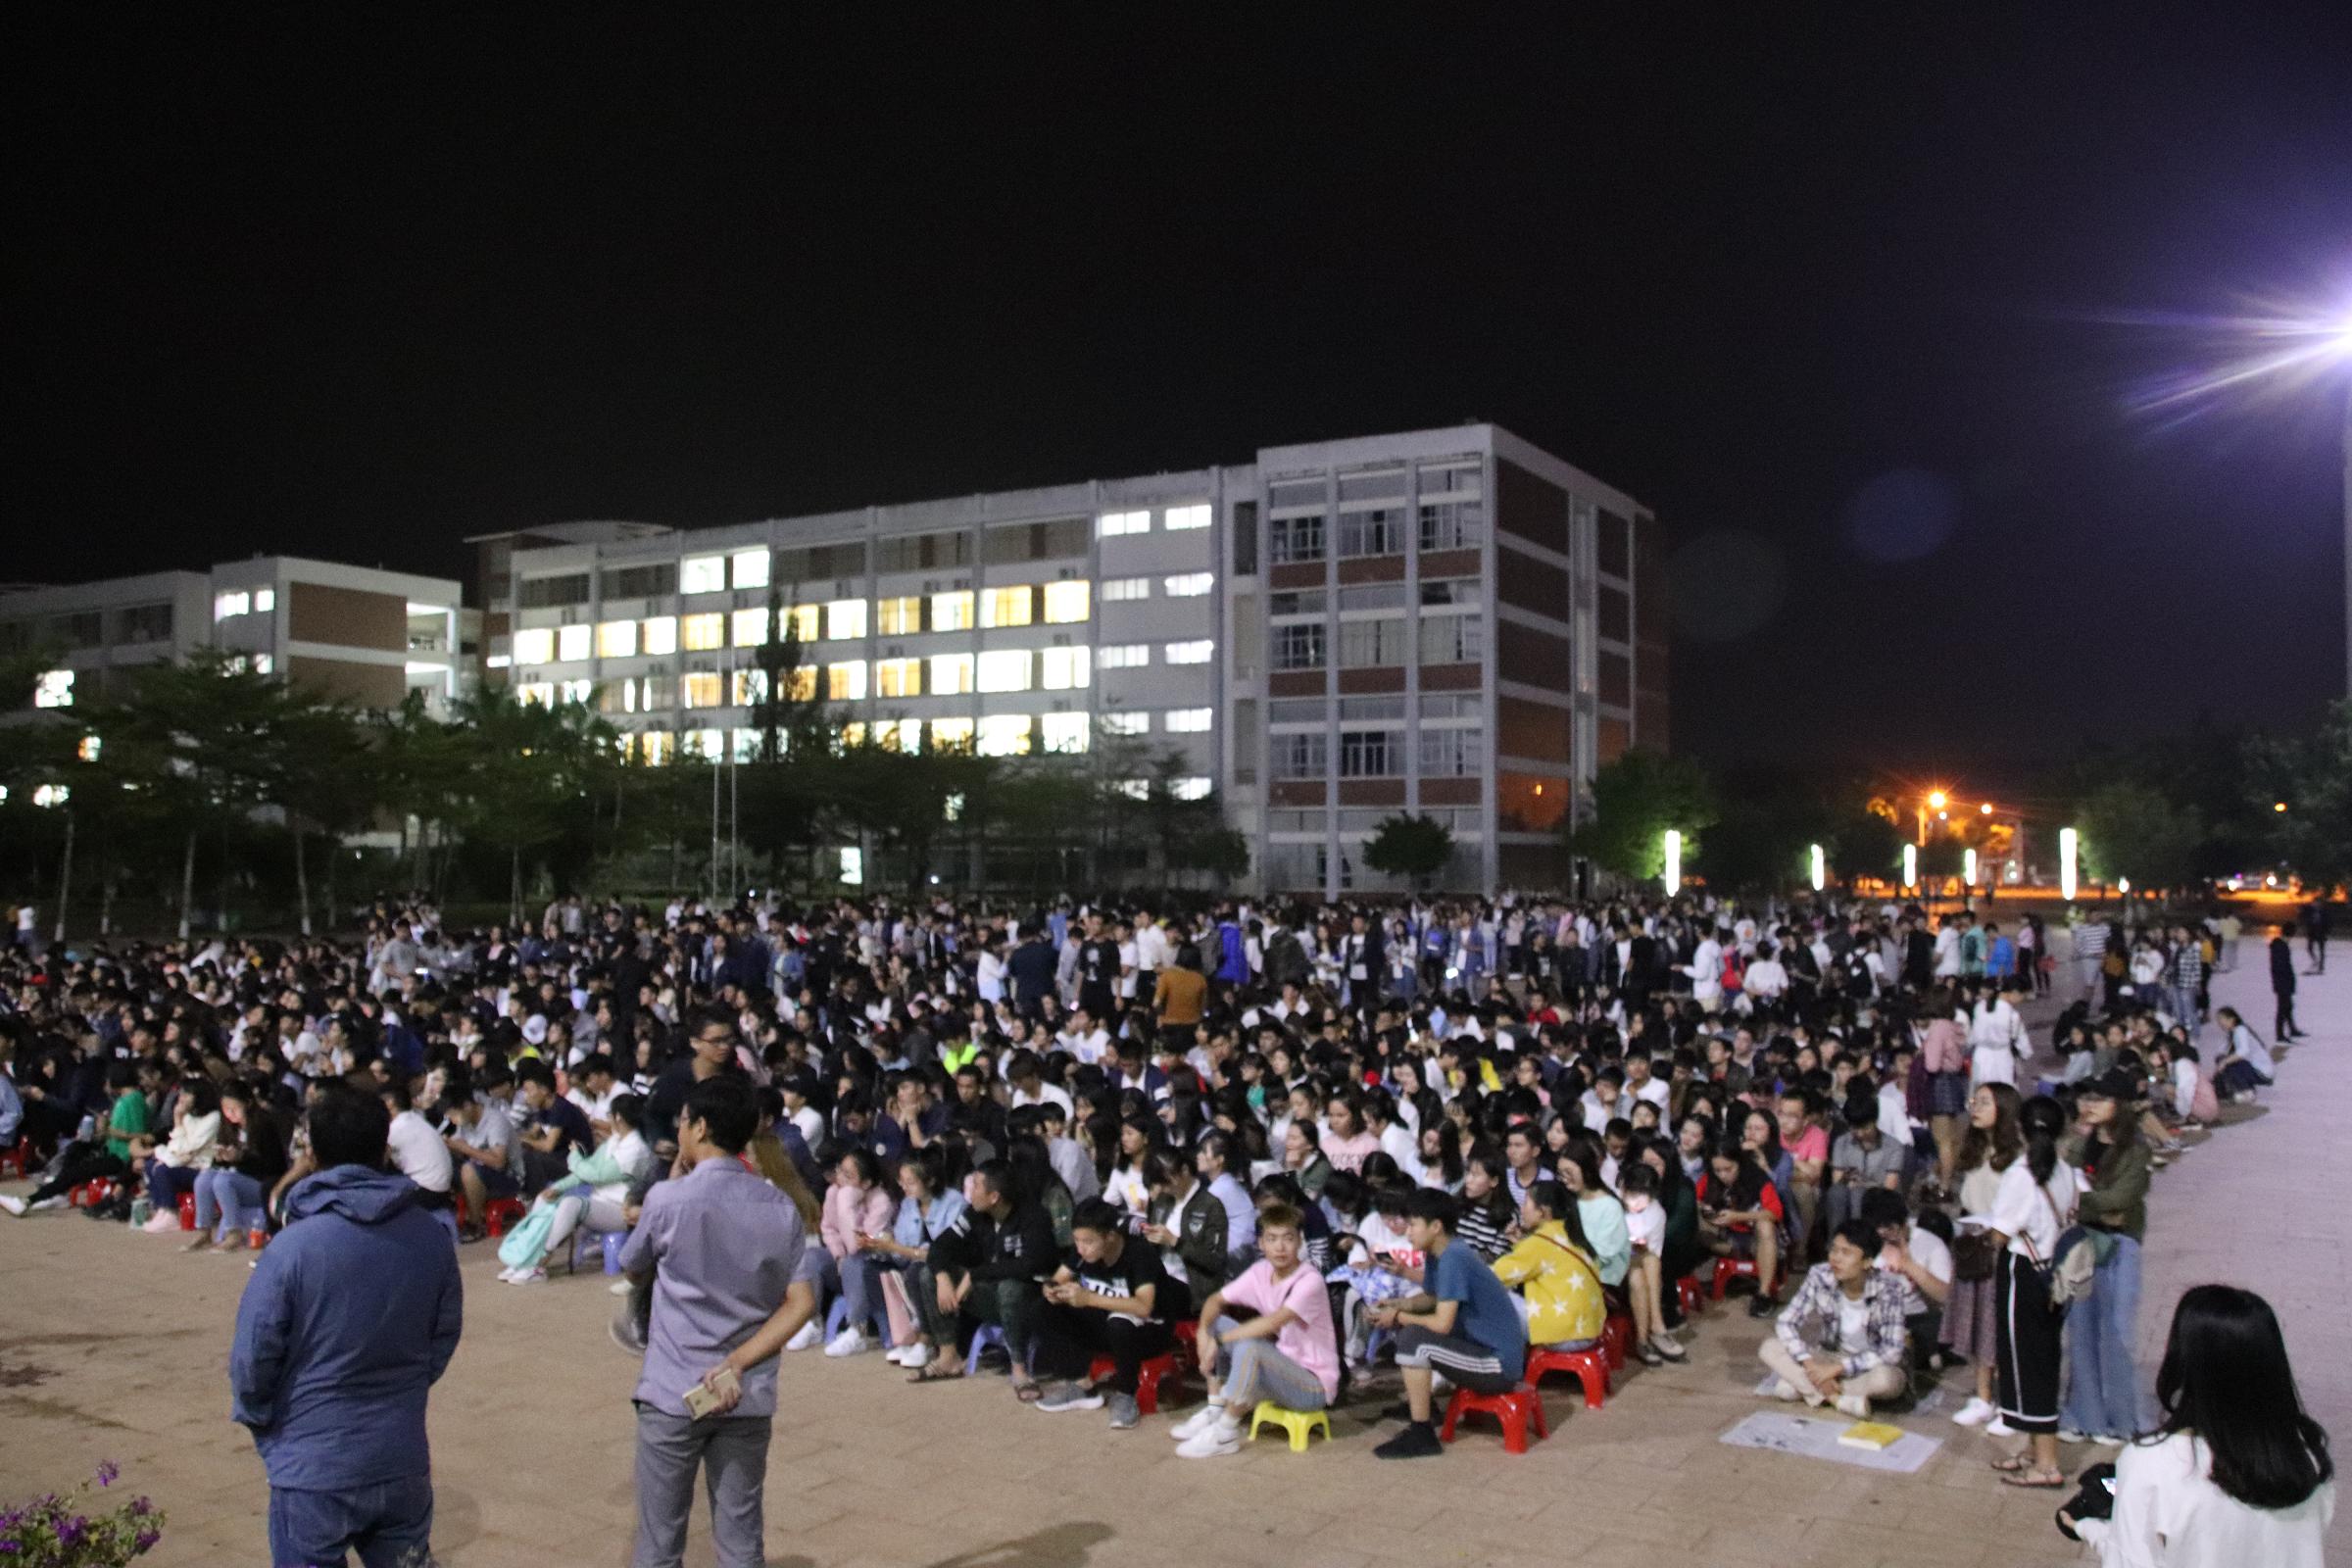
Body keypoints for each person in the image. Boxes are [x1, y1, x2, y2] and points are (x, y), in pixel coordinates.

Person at [229, 1086, 463, 1568]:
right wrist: (403, 1384)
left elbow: (252, 1360)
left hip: (312, 1466)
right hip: (399, 1457)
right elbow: (442, 1338)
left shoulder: (292, 1248)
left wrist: (264, 1422)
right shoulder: (430, 1236)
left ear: (312, 1157)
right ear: (384, 1151)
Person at [619, 1076, 816, 1568]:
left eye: (683, 1121)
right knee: (741, 1540)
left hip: (672, 1389)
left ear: (701, 1127)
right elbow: (801, 1303)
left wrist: (672, 1180)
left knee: (659, 1544)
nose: (679, 1130)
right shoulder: (779, 1206)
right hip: (744, 1390)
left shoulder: (668, 1200)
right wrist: (739, 1361)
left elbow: (633, 1265)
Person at [2065, 1285, 2333, 1564]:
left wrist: (2089, 1528)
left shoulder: (2153, 1462)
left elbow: (2131, 1561)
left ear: (2184, 1362)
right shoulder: (2308, 1454)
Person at [1169, 1201, 1341, 1457]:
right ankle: (1216, 1408)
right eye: (1272, 1239)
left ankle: (1225, 1432)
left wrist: (1220, 1341)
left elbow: (1273, 1322)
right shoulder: (1261, 1271)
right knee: (1216, 1323)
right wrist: (1205, 1334)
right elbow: (1215, 1300)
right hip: (1280, 1368)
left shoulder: (1310, 1280)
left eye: (1288, 1238)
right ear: (1261, 1244)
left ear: (1300, 1242)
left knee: (1250, 1346)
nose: (1280, 1247)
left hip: (1312, 1387)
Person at [1365, 1189, 1527, 1460]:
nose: (1408, 1232)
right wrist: (1397, 1304)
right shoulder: (1440, 1252)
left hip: (1499, 1365)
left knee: (1413, 1340)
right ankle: (1423, 1406)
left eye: (1413, 1225)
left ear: (1436, 1227)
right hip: (1479, 1347)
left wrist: (1398, 1316)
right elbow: (1432, 1298)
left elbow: (1441, 1324)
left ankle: (1422, 1433)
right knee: (1410, 1330)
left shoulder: (1453, 1258)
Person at [1987, 1095, 2079, 1490]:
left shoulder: (2021, 1174)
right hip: (2055, 1273)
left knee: (2027, 1363)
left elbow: (2000, 1232)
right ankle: (2030, 1449)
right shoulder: (2065, 1171)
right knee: (2041, 1357)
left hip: (2024, 1272)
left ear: (2020, 1130)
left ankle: (2046, 1464)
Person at [2060, 1070, 2153, 1445]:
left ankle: (2121, 1419)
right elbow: (2063, 1187)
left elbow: (2121, 1201)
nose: (2090, 1105)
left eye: (2100, 1099)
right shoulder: (2082, 1144)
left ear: (2121, 1104)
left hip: (2119, 1245)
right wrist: (2092, 1205)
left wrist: (2083, 1202)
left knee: (2116, 1333)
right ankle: (2086, 1416)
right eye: (2088, 1098)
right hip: (2083, 1243)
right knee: (2081, 1332)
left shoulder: (2136, 1149)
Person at [1028, 1197, 1178, 1427]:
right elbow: (1058, 1278)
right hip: (1107, 1327)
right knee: (1043, 1309)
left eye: (1088, 1242)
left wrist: (1089, 1298)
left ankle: (1126, 1394)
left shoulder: (1139, 1254)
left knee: (1119, 1321)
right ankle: (1081, 1385)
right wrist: (1052, 1290)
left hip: (1150, 1331)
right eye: (1077, 1240)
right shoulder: (1082, 1253)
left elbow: (1144, 1306)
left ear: (1110, 1236)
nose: (1081, 1248)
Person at [1758, 1218, 1912, 1417]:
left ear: (1867, 1262)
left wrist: (1838, 1369)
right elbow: (1786, 1322)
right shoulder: (1820, 1275)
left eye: (1846, 1253)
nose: (1836, 1259)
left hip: (1869, 1365)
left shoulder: (1890, 1289)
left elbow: (1891, 1351)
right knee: (1769, 1347)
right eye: (1834, 1250)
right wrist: (1809, 1364)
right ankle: (1837, 1399)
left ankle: (1809, 1388)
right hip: (1829, 1356)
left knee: (1886, 1381)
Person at [2269, 925, 2301, 1041]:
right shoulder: (2280, 947)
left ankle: (2292, 1029)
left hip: (2284, 981)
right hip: (2282, 982)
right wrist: (2286, 981)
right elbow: (2281, 967)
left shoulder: (2282, 945)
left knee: (2288, 1006)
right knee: (2282, 1008)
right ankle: (2280, 1034)